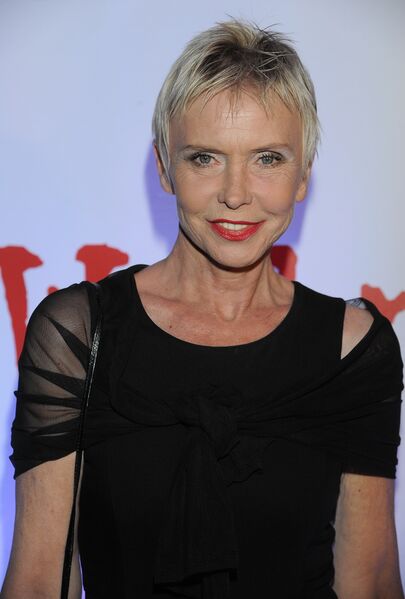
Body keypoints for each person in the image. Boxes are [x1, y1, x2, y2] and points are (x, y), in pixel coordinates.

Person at [2, 19, 403, 599]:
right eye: (205, 158)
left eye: (268, 158)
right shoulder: (79, 334)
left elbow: (370, 581)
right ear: (165, 168)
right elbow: (40, 582)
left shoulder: (353, 347)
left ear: (303, 176)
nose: (235, 193)